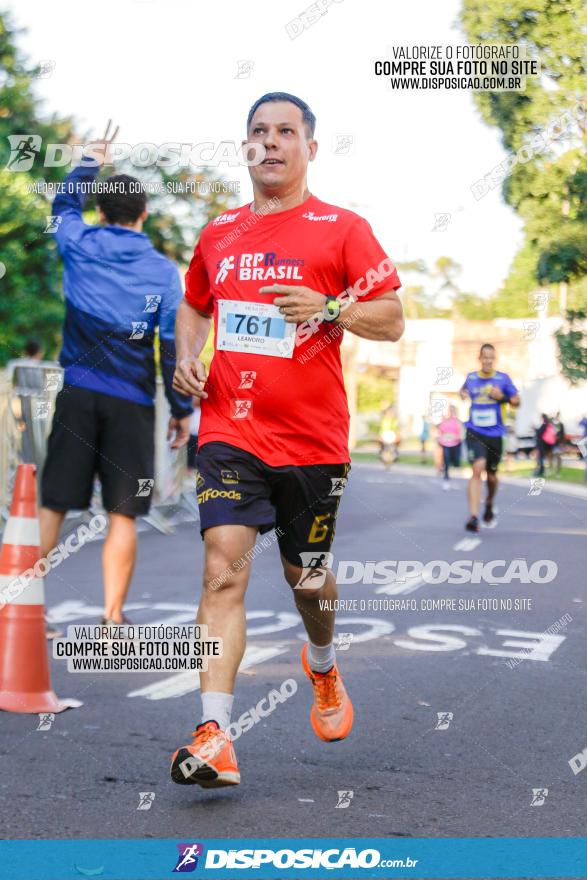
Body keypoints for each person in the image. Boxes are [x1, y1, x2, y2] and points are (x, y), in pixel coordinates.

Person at [170, 92, 404, 788]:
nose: (269, 143)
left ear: (309, 147)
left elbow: (391, 318)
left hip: (312, 440)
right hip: (229, 429)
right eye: (257, 132)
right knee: (222, 565)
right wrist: (187, 353)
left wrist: (332, 307)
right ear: (244, 147)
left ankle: (323, 664)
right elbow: (193, 301)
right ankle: (214, 734)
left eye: (285, 132)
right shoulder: (218, 233)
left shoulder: (341, 229)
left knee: (304, 577)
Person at [39, 123, 192, 627]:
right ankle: (112, 615)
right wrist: (184, 411)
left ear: (101, 211)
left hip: (79, 394)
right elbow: (170, 348)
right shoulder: (164, 273)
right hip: (132, 403)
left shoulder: (77, 241)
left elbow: (63, 205)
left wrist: (89, 162)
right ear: (143, 215)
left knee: (54, 505)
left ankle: (20, 604)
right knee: (123, 515)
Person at [460, 343, 520, 532]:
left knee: (492, 476)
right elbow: (463, 390)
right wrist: (461, 393)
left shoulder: (502, 379)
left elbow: (517, 401)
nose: (487, 360)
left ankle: (489, 503)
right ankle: (474, 516)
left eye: (490, 357)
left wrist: (502, 397)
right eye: (484, 357)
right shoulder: (471, 377)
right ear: (479, 358)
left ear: (494, 359)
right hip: (474, 431)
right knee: (477, 468)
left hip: (495, 433)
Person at [437, 405, 462, 488]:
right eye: (449, 411)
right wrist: (440, 438)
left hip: (455, 443)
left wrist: (455, 437)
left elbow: (460, 434)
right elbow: (440, 432)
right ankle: (446, 477)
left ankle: (447, 467)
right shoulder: (443, 421)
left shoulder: (457, 421)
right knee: (446, 460)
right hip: (445, 444)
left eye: (451, 411)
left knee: (455, 462)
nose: (450, 413)